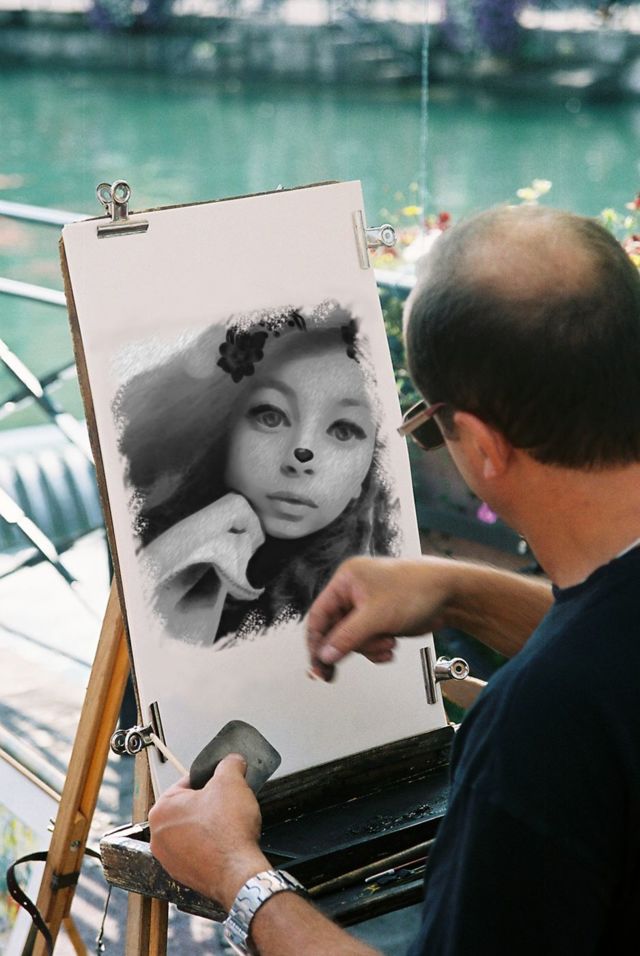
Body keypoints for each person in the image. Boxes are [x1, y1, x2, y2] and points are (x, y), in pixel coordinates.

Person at [148, 203, 640, 955]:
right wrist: (460, 590)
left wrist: (238, 877)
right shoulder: (582, 684)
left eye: (427, 427)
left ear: (480, 445)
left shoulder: (533, 732)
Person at [115, 302, 399, 647]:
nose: (300, 456)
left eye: (343, 430)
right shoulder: (134, 523)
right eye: (271, 416)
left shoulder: (368, 603)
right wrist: (172, 552)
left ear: (367, 471)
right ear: (226, 428)